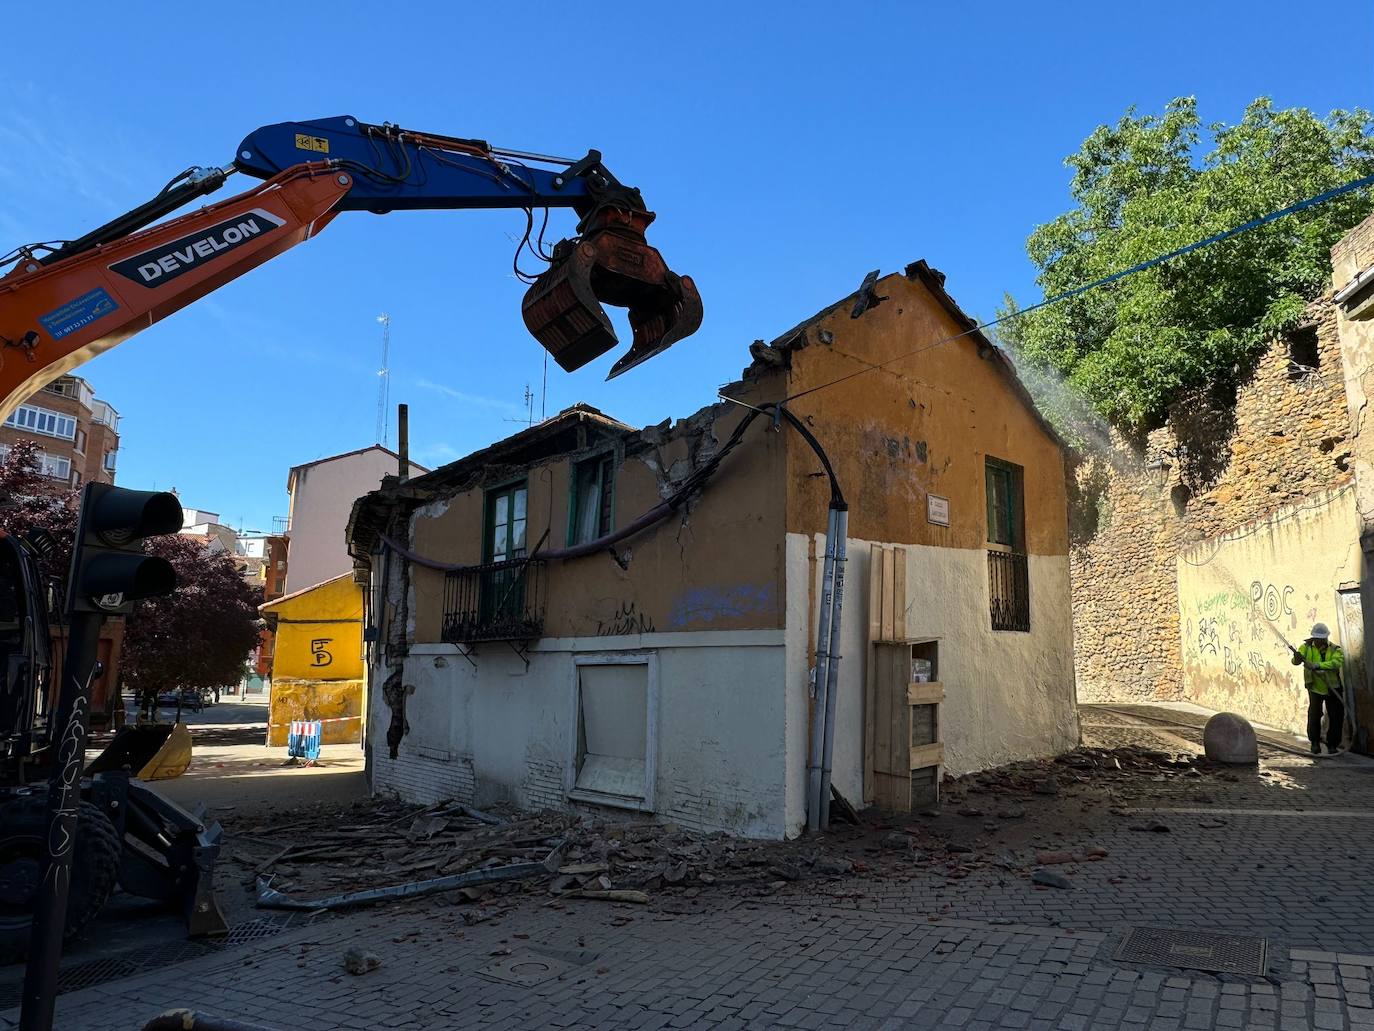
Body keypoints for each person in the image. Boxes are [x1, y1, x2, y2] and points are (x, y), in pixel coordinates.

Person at [1291, 623, 1346, 755]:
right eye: (1317, 638)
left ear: (1326, 638)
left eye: (1322, 639)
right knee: (1314, 715)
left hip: (1333, 688)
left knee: (1336, 716)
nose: (1320, 641)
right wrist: (1297, 658)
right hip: (1315, 688)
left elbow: (1336, 662)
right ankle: (1315, 743)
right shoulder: (1305, 647)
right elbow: (1295, 661)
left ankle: (1332, 744)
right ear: (1313, 637)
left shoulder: (1335, 649)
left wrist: (1317, 665)